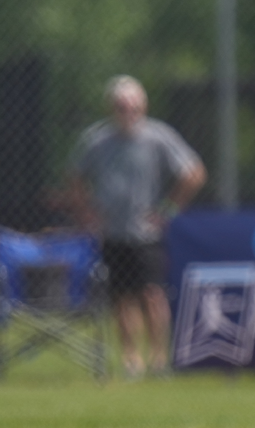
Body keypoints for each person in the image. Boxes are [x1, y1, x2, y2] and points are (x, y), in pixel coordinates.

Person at [67, 75, 204, 379]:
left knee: (152, 294)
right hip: (113, 231)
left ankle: (158, 359)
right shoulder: (97, 140)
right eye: (121, 106)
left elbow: (193, 172)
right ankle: (131, 360)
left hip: (147, 233)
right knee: (122, 297)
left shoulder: (158, 137)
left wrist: (168, 209)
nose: (127, 112)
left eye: (133, 106)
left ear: (142, 106)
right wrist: (87, 213)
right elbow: (75, 177)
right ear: (111, 108)